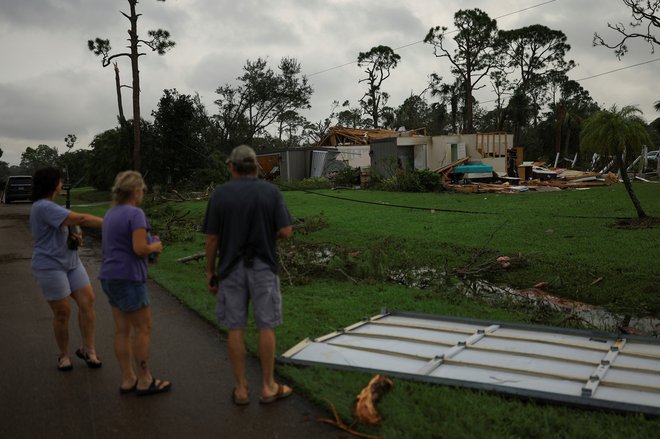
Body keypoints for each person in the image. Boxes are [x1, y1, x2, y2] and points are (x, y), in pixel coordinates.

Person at [203, 144, 293, 405]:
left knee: (236, 327)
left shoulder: (220, 195)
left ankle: (241, 390)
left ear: (231, 167)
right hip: (264, 267)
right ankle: (268, 386)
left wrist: (210, 271)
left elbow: (211, 240)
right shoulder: (271, 192)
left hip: (230, 270)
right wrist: (268, 235)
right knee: (266, 325)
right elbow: (286, 231)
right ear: (256, 167)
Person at [99, 171, 171, 396]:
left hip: (109, 277)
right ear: (137, 191)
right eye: (143, 191)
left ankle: (128, 378)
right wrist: (155, 247)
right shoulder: (136, 213)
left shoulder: (111, 213)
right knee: (143, 328)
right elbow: (140, 248)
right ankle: (144, 379)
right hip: (129, 278)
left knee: (121, 330)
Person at [29, 167, 104, 371]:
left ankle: (88, 349)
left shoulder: (51, 206)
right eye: (60, 182)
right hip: (50, 266)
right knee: (62, 312)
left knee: (87, 301)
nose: (62, 185)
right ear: (54, 184)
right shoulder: (43, 206)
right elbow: (80, 219)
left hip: (71, 262)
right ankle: (63, 355)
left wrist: (74, 236)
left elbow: (70, 225)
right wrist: (110, 223)